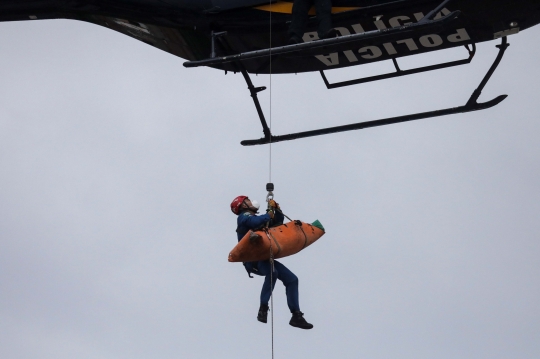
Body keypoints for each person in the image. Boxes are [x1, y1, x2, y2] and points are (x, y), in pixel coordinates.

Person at [230, 195, 314, 330]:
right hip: (253, 260)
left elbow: (276, 222)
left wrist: (276, 210)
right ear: (243, 205)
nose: (251, 202)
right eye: (248, 201)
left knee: (292, 280)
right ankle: (263, 308)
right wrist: (269, 213)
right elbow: (254, 222)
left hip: (263, 257)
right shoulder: (244, 217)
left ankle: (296, 316)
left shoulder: (258, 219)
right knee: (272, 272)